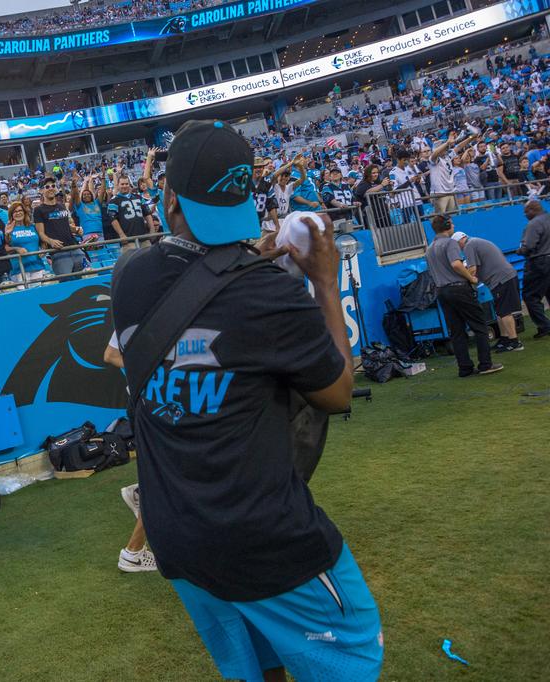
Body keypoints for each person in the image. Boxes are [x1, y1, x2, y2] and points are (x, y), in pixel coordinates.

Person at [111, 120, 382, 681]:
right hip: (263, 538)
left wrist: (240, 264)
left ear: (167, 198)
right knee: (353, 656)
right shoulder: (266, 289)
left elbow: (191, 291)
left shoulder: (129, 276)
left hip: (178, 539)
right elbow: (336, 392)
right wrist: (325, 284)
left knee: (257, 666)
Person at [103, 335, 157, 574]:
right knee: (166, 482)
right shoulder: (143, 313)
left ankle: (141, 491)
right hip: (151, 404)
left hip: (149, 402)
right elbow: (110, 355)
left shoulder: (133, 312)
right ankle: (133, 553)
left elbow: (111, 354)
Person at [424, 215, 503, 376]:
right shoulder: (450, 243)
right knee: (480, 326)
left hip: (442, 291)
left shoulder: (430, 247)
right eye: (451, 223)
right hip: (459, 288)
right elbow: (456, 264)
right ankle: (485, 364)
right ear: (447, 226)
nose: (453, 225)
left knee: (457, 331)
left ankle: (465, 368)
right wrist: (471, 277)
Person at [455, 231, 523, 352]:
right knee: (500, 311)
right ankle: (505, 339)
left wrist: (467, 281)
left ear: (460, 240)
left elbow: (472, 269)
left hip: (501, 279)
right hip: (504, 277)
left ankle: (515, 342)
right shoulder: (475, 242)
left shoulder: (469, 246)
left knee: (504, 312)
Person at [34, 178, 84, 277]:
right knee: (66, 285)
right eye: (47, 187)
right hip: (59, 253)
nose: (51, 188)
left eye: (53, 186)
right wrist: (50, 241)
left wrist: (77, 229)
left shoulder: (62, 206)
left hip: (75, 248)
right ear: (41, 191)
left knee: (83, 281)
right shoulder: (38, 210)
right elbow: (40, 233)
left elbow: (66, 226)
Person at [519, 200, 550, 338]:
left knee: (530, 296)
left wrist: (520, 251)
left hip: (539, 262)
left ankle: (545, 326)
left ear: (532, 210)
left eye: (526, 212)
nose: (525, 215)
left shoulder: (533, 224)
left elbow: (529, 246)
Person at [4, 201, 46, 285]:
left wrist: (43, 249)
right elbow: (5, 248)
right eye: (15, 211)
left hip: (37, 266)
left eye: (20, 210)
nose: (18, 213)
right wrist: (17, 248)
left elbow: (42, 241)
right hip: (19, 269)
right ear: (11, 214)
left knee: (40, 294)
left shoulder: (33, 226)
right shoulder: (8, 228)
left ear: (24, 212)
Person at [107, 175, 155, 246]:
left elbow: (147, 213)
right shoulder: (113, 201)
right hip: (128, 239)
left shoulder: (138, 197)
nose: (125, 186)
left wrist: (152, 229)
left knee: (148, 256)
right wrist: (121, 234)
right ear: (118, 185)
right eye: (122, 184)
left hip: (143, 236)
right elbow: (113, 219)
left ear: (129, 185)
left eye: (126, 184)